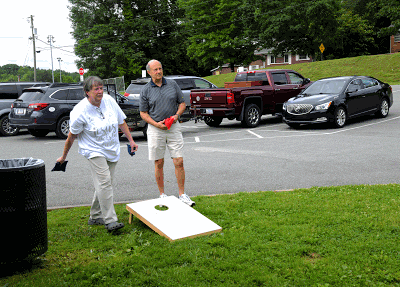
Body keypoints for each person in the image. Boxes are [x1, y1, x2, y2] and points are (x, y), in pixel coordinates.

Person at [56, 76, 138, 232]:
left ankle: (94, 216)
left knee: (105, 183)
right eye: (96, 89)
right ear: (87, 92)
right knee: (105, 182)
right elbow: (71, 136)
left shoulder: (109, 101)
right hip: (93, 149)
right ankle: (110, 220)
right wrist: (63, 156)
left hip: (111, 148)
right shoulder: (80, 111)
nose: (100, 92)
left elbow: (121, 121)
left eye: (101, 88)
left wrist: (131, 141)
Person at [139, 59, 195, 206]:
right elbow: (143, 113)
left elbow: (182, 103)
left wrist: (176, 116)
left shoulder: (172, 84)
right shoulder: (145, 90)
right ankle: (162, 195)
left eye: (160, 68)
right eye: (155, 70)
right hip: (155, 128)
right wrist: (156, 124)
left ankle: (182, 194)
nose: (159, 72)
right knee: (159, 162)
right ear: (149, 72)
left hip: (173, 127)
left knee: (179, 161)